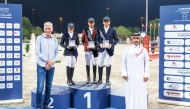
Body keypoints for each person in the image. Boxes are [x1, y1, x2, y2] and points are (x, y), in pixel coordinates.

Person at [122, 33, 149, 109]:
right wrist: (124, 73)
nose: (136, 40)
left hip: (141, 76)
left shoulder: (144, 50)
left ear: (139, 39)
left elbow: (146, 63)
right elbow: (124, 62)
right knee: (130, 92)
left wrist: (146, 74)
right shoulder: (127, 50)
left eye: (137, 38)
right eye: (134, 38)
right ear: (132, 39)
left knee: (140, 92)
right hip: (130, 76)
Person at [35, 22, 59, 109]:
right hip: (41, 66)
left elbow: (57, 53)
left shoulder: (55, 40)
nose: (48, 30)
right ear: (44, 29)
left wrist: (52, 62)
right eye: (46, 29)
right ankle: (38, 106)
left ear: (52, 29)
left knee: (48, 87)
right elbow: (37, 52)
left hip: (51, 67)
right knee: (40, 88)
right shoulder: (39, 39)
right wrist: (47, 60)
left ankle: (45, 105)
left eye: (49, 28)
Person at [95, 16, 118, 86]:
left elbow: (116, 40)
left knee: (108, 64)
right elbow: (96, 40)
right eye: (105, 21)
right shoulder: (99, 30)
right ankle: (100, 79)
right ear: (103, 22)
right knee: (100, 63)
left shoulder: (113, 30)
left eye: (107, 21)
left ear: (109, 22)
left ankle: (107, 79)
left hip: (109, 50)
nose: (106, 22)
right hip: (101, 49)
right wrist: (99, 44)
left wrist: (112, 45)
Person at [81, 17, 98, 84]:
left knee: (94, 63)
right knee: (87, 63)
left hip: (94, 50)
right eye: (90, 22)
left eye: (92, 22)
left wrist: (96, 46)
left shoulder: (97, 31)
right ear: (88, 23)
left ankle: (94, 78)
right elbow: (83, 41)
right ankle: (88, 78)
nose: (91, 23)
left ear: (94, 23)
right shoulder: (85, 31)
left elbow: (98, 40)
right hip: (87, 50)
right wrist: (86, 46)